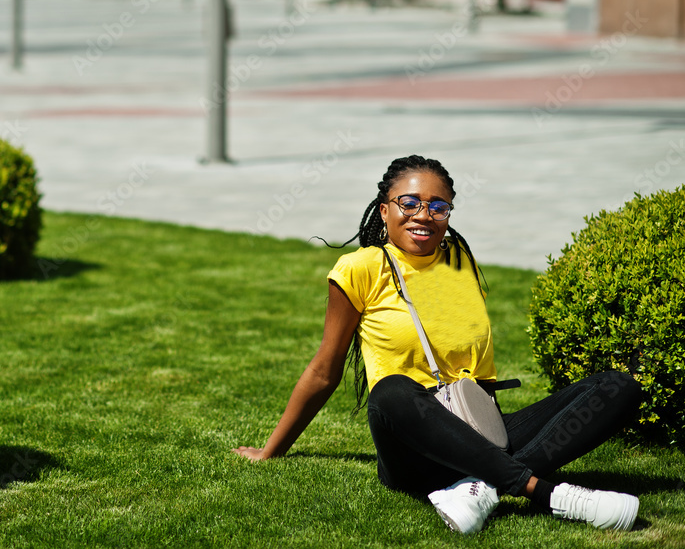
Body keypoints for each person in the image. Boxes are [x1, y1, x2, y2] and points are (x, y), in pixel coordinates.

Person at [233, 155, 643, 534]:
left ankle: (481, 486)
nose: (423, 215)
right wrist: (271, 450)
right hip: (411, 444)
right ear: (384, 210)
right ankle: (549, 493)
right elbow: (324, 368)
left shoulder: (460, 258)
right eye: (408, 203)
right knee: (391, 390)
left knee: (618, 387)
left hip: (479, 428)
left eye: (437, 206)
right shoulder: (360, 268)